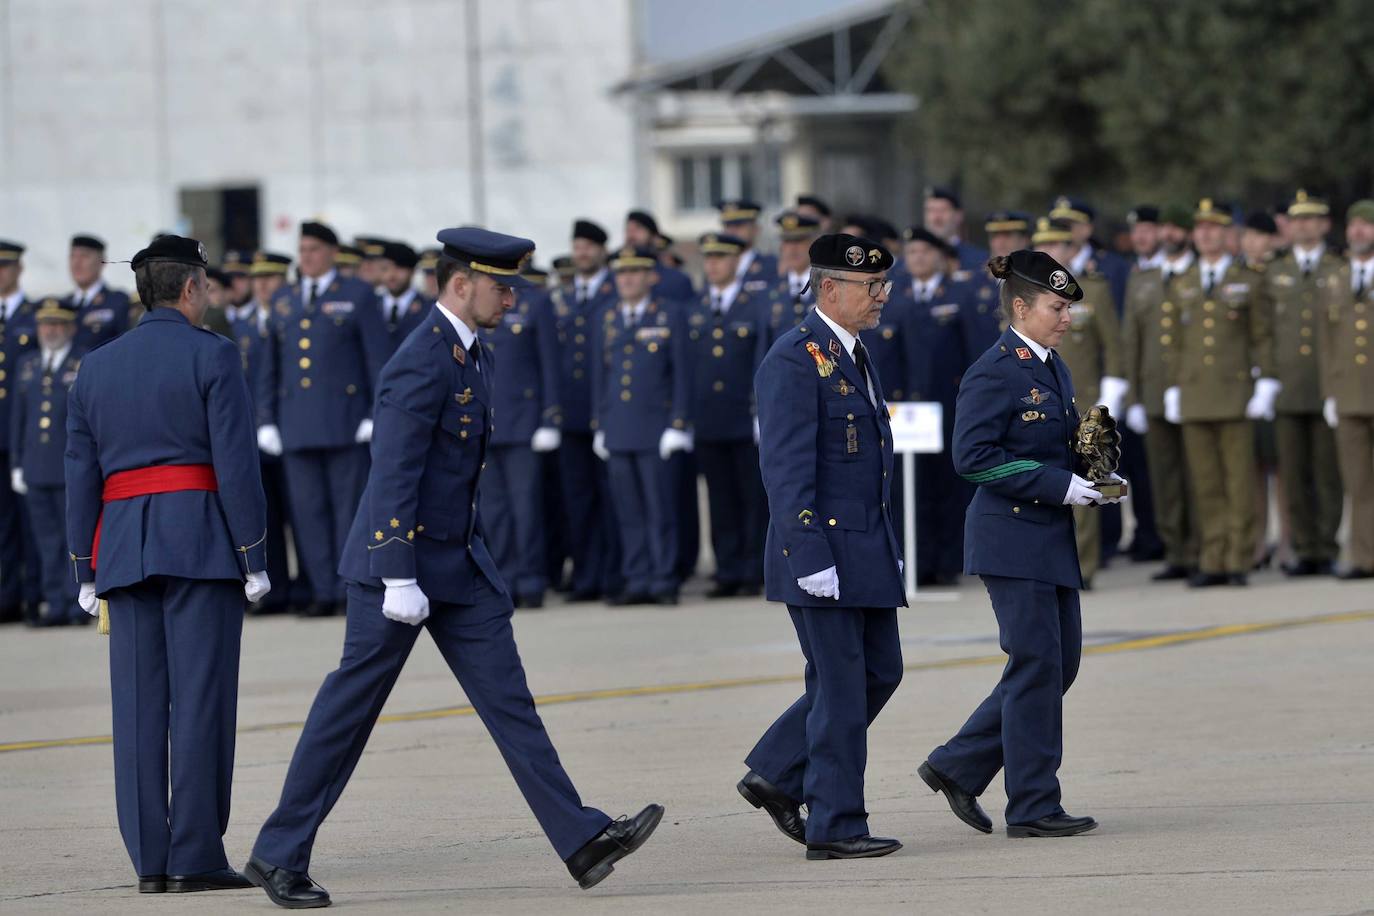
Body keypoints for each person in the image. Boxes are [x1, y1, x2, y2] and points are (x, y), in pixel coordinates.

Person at [246, 228, 662, 909]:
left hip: (459, 563)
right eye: (501, 287)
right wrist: (397, 571)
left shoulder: (472, 352)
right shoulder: (422, 359)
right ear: (461, 284)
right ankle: (278, 854)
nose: (510, 299)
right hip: (399, 566)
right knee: (350, 709)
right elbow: (394, 471)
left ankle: (581, 839)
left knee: (511, 703)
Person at [65, 235, 270, 894]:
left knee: (137, 710)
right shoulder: (213, 354)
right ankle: (196, 855)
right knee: (201, 704)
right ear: (189, 289)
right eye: (204, 286)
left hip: (122, 547)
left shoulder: (94, 366)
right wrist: (254, 554)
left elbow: (80, 473)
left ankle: (151, 862)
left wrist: (83, 567)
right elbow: (236, 465)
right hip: (201, 543)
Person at [919, 250, 1121, 840]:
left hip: (1048, 538)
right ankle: (1033, 803)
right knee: (1037, 665)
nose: (1066, 318)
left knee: (1059, 665)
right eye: (1057, 307)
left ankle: (957, 765)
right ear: (1021, 307)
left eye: (1068, 308)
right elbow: (973, 459)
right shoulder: (995, 369)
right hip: (1010, 537)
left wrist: (1093, 471)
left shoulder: (1053, 365)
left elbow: (1052, 446)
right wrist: (1059, 485)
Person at [739, 232, 906, 861]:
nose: (882, 297)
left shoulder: (854, 354)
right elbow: (785, 470)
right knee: (839, 689)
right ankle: (835, 822)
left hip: (864, 547)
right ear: (829, 289)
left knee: (880, 673)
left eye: (884, 286)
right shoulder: (793, 358)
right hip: (822, 552)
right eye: (871, 287)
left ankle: (777, 772)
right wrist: (807, 554)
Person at [255, 221, 389, 617]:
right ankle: (321, 589)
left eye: (314, 249)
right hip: (296, 425)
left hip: (346, 423)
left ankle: (351, 588)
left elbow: (376, 360)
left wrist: (373, 413)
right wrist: (266, 419)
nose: (307, 257)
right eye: (303, 250)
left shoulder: (358, 295)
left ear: (332, 252)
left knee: (347, 512)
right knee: (307, 515)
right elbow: (271, 365)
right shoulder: (284, 299)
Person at [1163, 199, 1277, 587]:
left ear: (1229, 234)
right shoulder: (1183, 282)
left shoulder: (1249, 279)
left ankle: (1236, 559)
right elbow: (1176, 341)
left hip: (1234, 393)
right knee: (1206, 483)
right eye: (1201, 228)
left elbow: (1262, 335)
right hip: (1195, 394)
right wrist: (1174, 386)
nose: (1207, 234)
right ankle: (1211, 558)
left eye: (1215, 227)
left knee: (1238, 482)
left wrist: (1266, 382)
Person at [591, 245, 692, 605]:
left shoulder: (669, 314)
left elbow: (682, 371)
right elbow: (600, 374)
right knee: (629, 512)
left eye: (635, 272)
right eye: (621, 273)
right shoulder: (607, 316)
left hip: (656, 429)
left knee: (660, 510)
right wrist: (599, 423)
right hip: (619, 428)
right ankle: (637, 577)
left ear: (651, 276)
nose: (627, 279)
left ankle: (664, 578)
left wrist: (678, 423)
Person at [1032, 217, 1127, 587]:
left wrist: (1112, 394)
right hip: (1036, 401)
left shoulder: (1094, 289)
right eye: (1045, 246)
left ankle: (1081, 566)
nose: (1053, 252)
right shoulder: (1023, 297)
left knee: (1086, 484)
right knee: (1043, 482)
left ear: (1072, 249)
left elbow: (1113, 346)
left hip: (1083, 402)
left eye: (1059, 245)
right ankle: (1045, 564)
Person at [1262, 191, 1343, 576]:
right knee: (1293, 472)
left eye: (1312, 219)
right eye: (1297, 219)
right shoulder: (1276, 270)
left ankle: (1326, 546)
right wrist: (1265, 375)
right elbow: (1263, 330)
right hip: (1287, 385)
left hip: (1326, 384)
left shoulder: (1338, 266)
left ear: (1325, 224)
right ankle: (1304, 547)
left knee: (1327, 472)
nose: (1304, 226)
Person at [688, 232, 770, 598]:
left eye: (721, 258)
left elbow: (762, 359)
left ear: (736, 261)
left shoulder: (755, 304)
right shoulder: (697, 305)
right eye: (709, 259)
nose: (714, 265)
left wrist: (759, 409)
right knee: (719, 500)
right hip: (709, 419)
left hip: (743, 416)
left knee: (751, 497)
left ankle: (753, 568)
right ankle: (727, 569)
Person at [1122, 204, 1200, 580]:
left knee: (1198, 477)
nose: (1167, 235)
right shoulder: (1143, 280)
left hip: (1197, 394)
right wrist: (1133, 396)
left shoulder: (1201, 276)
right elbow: (1131, 342)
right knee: (1164, 478)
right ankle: (1177, 552)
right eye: (1164, 228)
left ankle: (1204, 549)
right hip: (1152, 393)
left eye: (1174, 228)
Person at [480, 261, 562, 608]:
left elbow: (549, 363)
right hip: (487, 422)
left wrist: (550, 417)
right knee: (493, 511)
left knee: (526, 508)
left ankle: (531, 580)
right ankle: (505, 579)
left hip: (524, 422)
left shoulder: (534, 302)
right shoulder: (480, 303)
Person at [893, 226, 972, 585]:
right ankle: (918, 560)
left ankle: (947, 561)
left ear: (939, 256)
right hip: (907, 410)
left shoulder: (959, 294)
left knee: (947, 487)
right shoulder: (896, 297)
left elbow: (974, 353)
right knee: (912, 488)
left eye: (925, 251)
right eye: (912, 253)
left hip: (948, 406)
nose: (918, 258)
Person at [553, 219, 621, 601]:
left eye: (588, 247)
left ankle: (613, 575)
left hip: (606, 413)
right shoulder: (563, 295)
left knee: (610, 501)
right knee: (577, 501)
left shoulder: (613, 292)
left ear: (601, 251)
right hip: (570, 415)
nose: (581, 253)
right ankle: (586, 576)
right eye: (576, 246)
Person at [229, 251, 300, 615]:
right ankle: (277, 588)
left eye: (270, 279)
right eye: (257, 280)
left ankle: (307, 584)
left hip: (293, 428)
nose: (262, 286)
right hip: (256, 433)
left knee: (300, 513)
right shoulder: (241, 326)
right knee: (266, 514)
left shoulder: (294, 318)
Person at [10, 300, 85, 626]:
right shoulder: (27, 365)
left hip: (68, 466)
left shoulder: (81, 363)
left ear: (70, 327)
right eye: (45, 324)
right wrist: (16, 463)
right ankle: (54, 603)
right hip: (36, 466)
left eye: (57, 324)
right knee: (45, 539)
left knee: (72, 538)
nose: (50, 331)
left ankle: (74, 602)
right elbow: (18, 420)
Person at [1319, 199, 1374, 579]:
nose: (1358, 231)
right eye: (1353, 224)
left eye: (1366, 225)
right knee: (1358, 484)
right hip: (1350, 395)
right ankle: (1362, 556)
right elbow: (1327, 341)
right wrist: (1330, 393)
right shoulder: (1335, 278)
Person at [0, 239, 37, 624]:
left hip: (21, 436)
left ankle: (32, 593)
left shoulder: (32, 314)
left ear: (18, 270)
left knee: (29, 522)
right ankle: (6, 595)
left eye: (6, 266)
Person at [961, 211, 1030, 351]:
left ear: (1024, 240)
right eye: (995, 236)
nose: (1000, 242)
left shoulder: (1036, 280)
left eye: (1008, 236)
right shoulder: (974, 282)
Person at [1049, 197, 1130, 312]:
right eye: (1056, 226)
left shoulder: (1113, 267)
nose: (1061, 232)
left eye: (1067, 226)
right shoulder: (1047, 268)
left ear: (1087, 229)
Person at [66, 234, 132, 349]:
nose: (76, 264)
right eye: (72, 256)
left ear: (102, 262)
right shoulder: (63, 304)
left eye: (84, 256)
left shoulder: (118, 302)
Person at [769, 211, 820, 340]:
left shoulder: (827, 286)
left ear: (812, 243)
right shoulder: (771, 290)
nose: (792, 249)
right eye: (787, 242)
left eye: (799, 241)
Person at [625, 210, 694, 300]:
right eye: (628, 230)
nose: (631, 235)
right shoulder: (614, 279)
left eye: (637, 229)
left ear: (654, 237)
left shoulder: (676, 280)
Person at [377, 240, 428, 360]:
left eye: (399, 268)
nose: (391, 275)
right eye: (385, 268)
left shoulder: (429, 308)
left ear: (413, 271)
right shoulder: (368, 306)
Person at [719, 199, 778, 293]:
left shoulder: (771, 266)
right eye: (728, 226)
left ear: (755, 229)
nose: (732, 231)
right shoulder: (716, 269)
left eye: (739, 225)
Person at [924, 186, 987, 271]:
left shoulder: (979, 260)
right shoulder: (910, 262)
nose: (936, 217)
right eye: (931, 210)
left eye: (943, 210)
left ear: (958, 216)